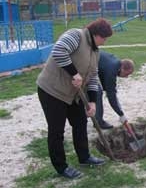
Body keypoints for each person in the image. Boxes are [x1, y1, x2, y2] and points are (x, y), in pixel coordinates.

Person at [36, 18, 113, 179]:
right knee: (56, 130)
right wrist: (74, 72)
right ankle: (61, 167)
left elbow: (93, 76)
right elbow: (58, 51)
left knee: (80, 123)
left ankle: (84, 157)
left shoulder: (95, 51)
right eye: (104, 38)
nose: (104, 42)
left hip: (74, 94)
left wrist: (92, 101)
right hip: (52, 91)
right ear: (96, 34)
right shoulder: (76, 35)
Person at [96, 50, 134, 129]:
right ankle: (99, 122)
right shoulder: (111, 71)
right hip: (83, 67)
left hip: (91, 66)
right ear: (122, 69)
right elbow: (111, 96)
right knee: (97, 92)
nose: (127, 77)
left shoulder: (115, 63)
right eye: (127, 74)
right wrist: (121, 114)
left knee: (97, 90)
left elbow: (109, 88)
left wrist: (121, 113)